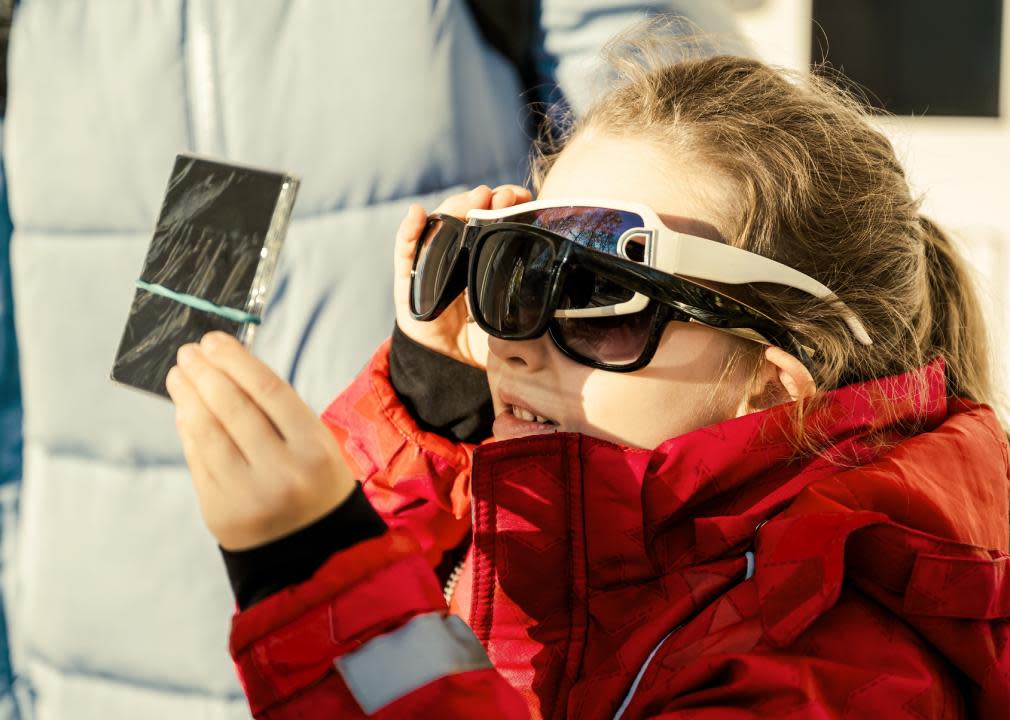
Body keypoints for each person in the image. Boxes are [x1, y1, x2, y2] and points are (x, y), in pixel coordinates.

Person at [167, 23, 1010, 719]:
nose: (510, 341)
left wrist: (322, 579)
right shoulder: (588, 555)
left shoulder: (843, 667)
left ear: (772, 383)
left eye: (597, 291)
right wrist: (431, 410)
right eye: (512, 268)